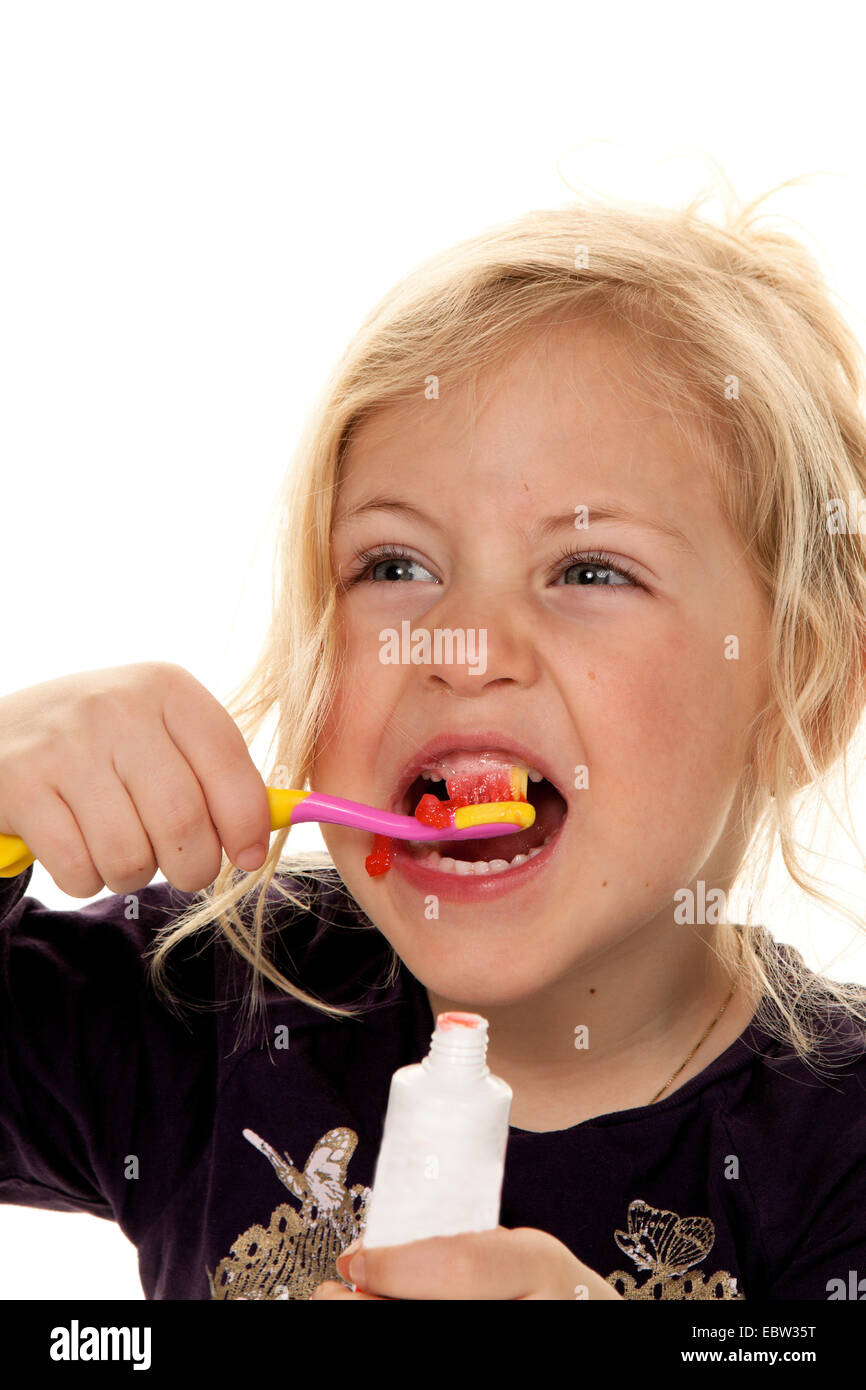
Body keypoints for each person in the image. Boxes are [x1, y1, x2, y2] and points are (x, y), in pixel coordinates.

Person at [2, 178, 866, 1301]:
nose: (458, 644)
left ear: (797, 696)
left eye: (588, 569)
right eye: (393, 567)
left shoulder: (838, 1154)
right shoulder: (212, 1006)